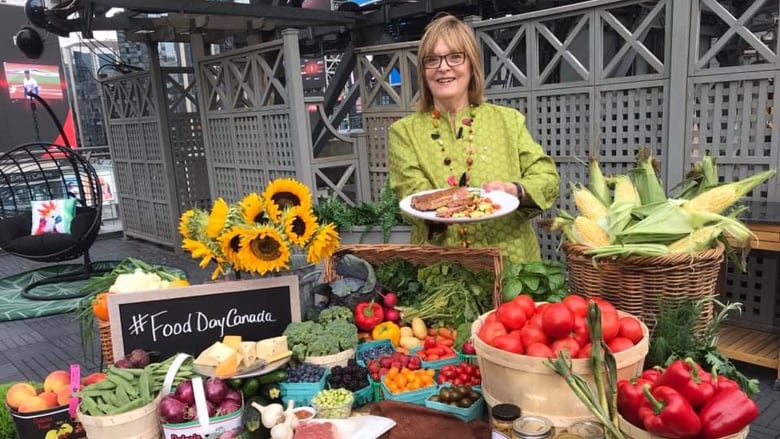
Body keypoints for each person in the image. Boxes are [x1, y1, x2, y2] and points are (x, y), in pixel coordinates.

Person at [388, 14, 560, 263]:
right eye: (432, 59)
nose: (443, 67)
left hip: (510, 260)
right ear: (423, 71)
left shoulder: (508, 121)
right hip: (443, 267)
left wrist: (515, 190)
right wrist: (451, 207)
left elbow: (546, 177)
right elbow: (413, 193)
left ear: (472, 65)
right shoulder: (404, 132)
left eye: (455, 56)